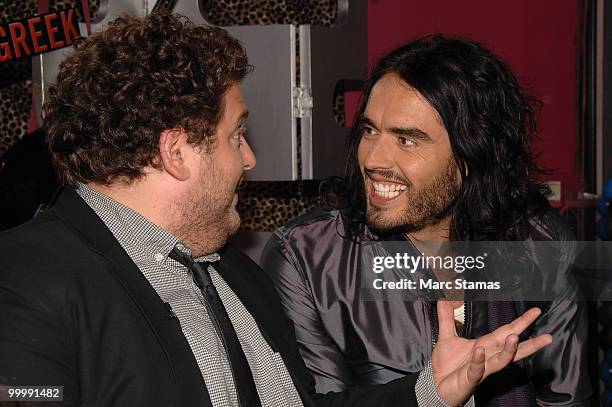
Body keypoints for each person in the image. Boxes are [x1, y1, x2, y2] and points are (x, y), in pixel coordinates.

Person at [0, 15, 551, 407]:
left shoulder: (233, 271)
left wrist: (430, 392)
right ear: (175, 151)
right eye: (236, 134)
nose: (250, 157)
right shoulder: (26, 277)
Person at [261, 35, 592, 406]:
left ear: (470, 157)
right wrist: (429, 394)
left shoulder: (541, 243)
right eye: (370, 131)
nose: (372, 159)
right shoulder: (308, 259)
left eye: (407, 140)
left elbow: (566, 398)